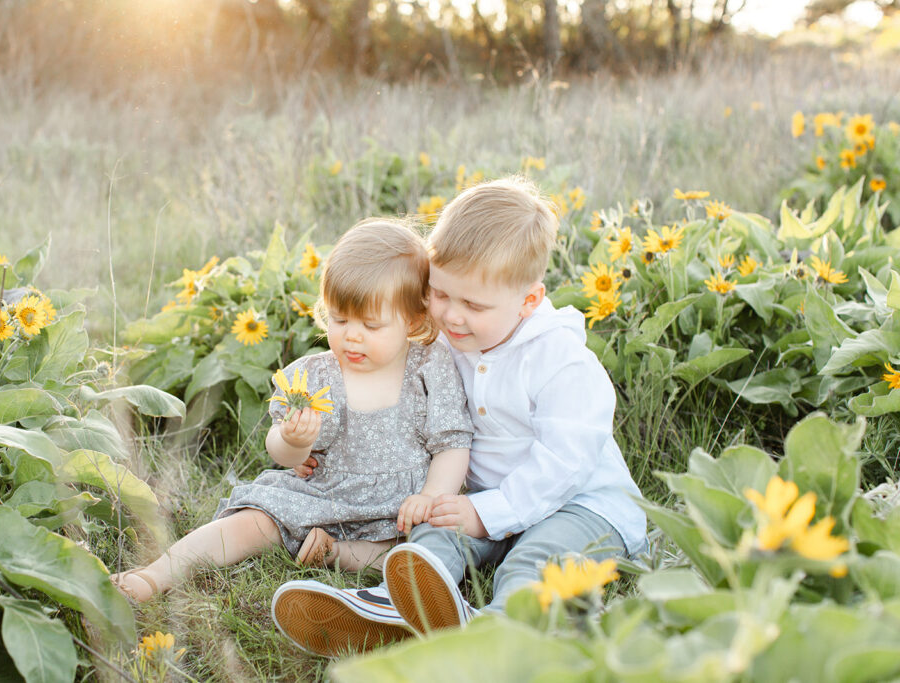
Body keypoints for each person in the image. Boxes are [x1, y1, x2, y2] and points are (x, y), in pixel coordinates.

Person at [272, 176, 647, 655]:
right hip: (484, 500)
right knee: (433, 535)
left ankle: (497, 635)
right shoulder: (447, 343)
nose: (451, 316)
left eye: (473, 304)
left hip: (584, 506)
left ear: (528, 301)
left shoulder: (562, 361)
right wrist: (317, 445)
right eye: (441, 294)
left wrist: (485, 512)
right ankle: (390, 606)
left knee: (535, 562)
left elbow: (565, 464)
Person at [111, 219, 473, 617]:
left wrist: (431, 496)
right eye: (339, 320)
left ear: (414, 321)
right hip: (322, 492)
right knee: (255, 521)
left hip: (401, 505)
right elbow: (280, 454)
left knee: (425, 545)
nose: (352, 336)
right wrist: (294, 440)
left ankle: (337, 554)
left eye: (371, 325)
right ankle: (157, 573)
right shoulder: (313, 375)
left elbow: (452, 443)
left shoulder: (429, 365)